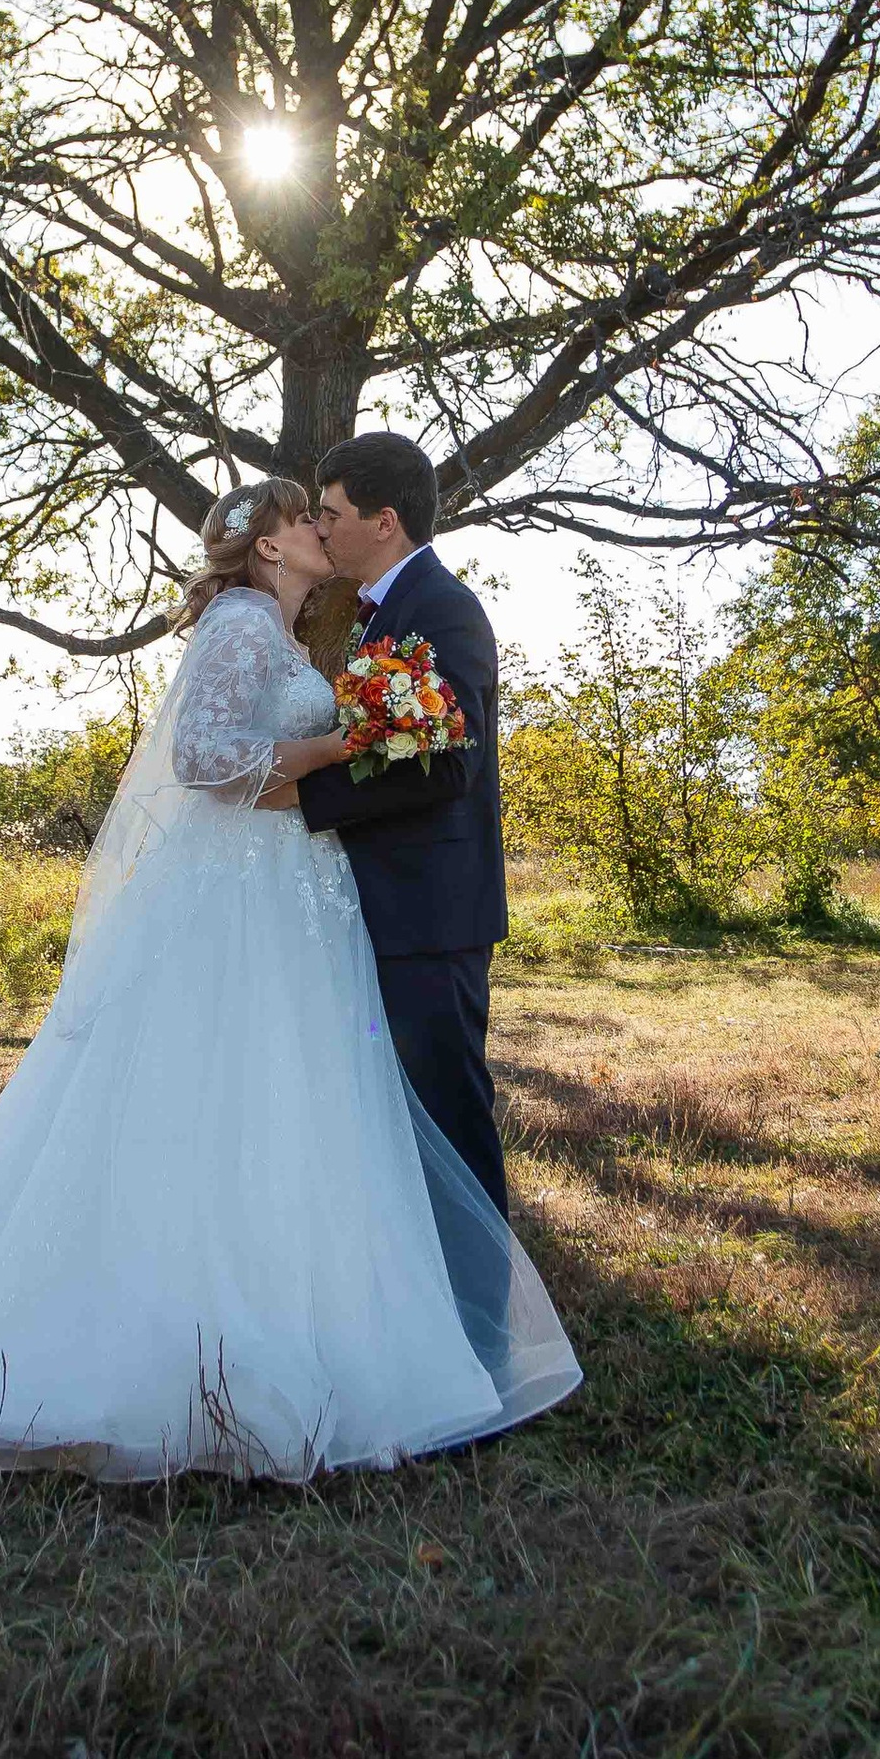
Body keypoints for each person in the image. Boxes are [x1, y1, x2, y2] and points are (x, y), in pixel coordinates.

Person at [0, 476, 579, 1479]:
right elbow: (205, 760)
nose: (319, 527)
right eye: (304, 517)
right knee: (218, 1093)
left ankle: (305, 1317)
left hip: (295, 891)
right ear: (267, 547)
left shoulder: (291, 630)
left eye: (327, 512)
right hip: (243, 894)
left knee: (289, 1103)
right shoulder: (243, 625)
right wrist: (341, 742)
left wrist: (345, 748)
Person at [293, 430, 511, 1217]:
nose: (320, 528)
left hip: (431, 913)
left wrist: (305, 801)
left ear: (383, 521)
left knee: (448, 1117)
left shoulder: (442, 609)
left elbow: (449, 765)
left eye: (330, 513)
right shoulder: (384, 612)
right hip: (395, 908)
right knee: (404, 1122)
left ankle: (478, 1290)